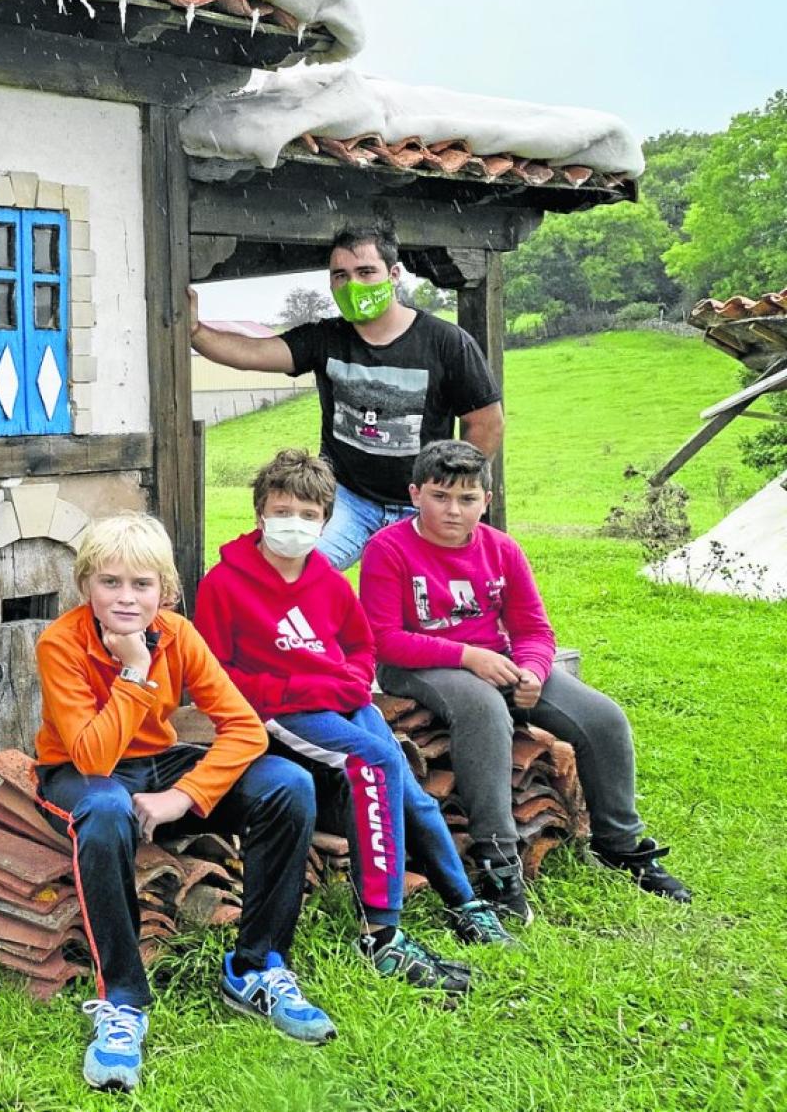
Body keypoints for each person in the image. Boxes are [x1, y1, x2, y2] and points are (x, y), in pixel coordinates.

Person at [195, 449, 513, 998]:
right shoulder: (224, 583)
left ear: (325, 518)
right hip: (283, 709)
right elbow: (215, 676)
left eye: (308, 514)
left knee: (411, 793)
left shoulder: (329, 581)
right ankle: (380, 932)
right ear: (259, 514)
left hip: (341, 700)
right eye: (281, 511)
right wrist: (312, 689)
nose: (294, 525)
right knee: (377, 759)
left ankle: (464, 900)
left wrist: (349, 683)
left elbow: (361, 648)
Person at [32, 514, 333, 1093]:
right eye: (110, 582)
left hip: (156, 765)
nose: (126, 597)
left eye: (141, 584)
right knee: (106, 810)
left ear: (164, 590)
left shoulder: (178, 632)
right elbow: (92, 757)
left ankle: (255, 969)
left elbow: (246, 730)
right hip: (80, 769)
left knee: (288, 783)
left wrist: (183, 796)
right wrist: (137, 673)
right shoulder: (60, 643)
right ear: (85, 586)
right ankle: (122, 1001)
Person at [360, 440, 693, 921]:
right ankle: (498, 863)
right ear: (415, 494)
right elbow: (383, 637)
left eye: (468, 499)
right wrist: (467, 656)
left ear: (486, 502)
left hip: (497, 660)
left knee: (603, 718)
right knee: (484, 708)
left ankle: (618, 843)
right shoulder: (387, 548)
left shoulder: (502, 550)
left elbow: (535, 631)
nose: (454, 510)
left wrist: (535, 672)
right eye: (440, 496)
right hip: (416, 664)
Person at [188, 223, 504, 568]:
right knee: (290, 571)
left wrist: (446, 491)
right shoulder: (326, 338)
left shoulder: (447, 343)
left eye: (366, 272)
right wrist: (195, 331)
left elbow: (485, 422)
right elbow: (254, 353)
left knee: (414, 600)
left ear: (393, 274)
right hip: (347, 501)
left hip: (419, 505)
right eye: (341, 275)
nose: (353, 284)